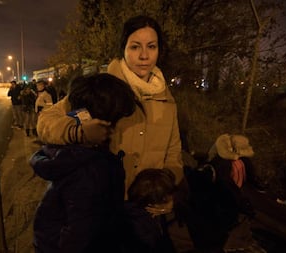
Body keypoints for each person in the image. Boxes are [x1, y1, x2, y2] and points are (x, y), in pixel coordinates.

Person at [36, 15, 183, 193]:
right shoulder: (100, 88)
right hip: (102, 206)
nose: (144, 56)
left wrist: (165, 187)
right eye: (135, 47)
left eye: (151, 46)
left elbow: (174, 155)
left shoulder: (167, 100)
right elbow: (45, 122)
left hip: (145, 209)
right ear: (123, 49)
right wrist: (79, 133)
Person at [29, 73, 139, 253]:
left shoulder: (71, 156)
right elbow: (79, 235)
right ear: (103, 122)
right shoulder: (92, 170)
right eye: (120, 119)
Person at [207, 134, 263, 252]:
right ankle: (231, 244)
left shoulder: (241, 160)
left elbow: (248, 173)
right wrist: (240, 201)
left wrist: (256, 182)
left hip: (232, 197)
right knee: (230, 224)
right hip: (224, 201)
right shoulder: (223, 163)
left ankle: (238, 241)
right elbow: (226, 185)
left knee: (238, 220)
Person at [120, 168, 177, 253]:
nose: (173, 200)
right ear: (157, 202)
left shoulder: (127, 211)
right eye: (170, 196)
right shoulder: (145, 229)